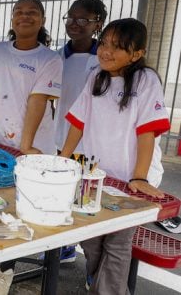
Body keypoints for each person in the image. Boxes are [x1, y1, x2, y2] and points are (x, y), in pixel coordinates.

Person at [60, 18, 169, 294]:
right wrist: (61, 159)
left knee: (118, 244)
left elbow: (147, 132)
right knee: (92, 238)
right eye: (105, 43)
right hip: (94, 174)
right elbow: (78, 123)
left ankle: (108, 290)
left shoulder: (146, 80)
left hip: (131, 179)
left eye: (118, 47)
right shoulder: (96, 77)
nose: (106, 51)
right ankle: (104, 286)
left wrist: (139, 177)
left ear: (136, 54)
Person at [0, 0, 63, 295]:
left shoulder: (49, 59)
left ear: (41, 20)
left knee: (26, 209)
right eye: (18, 12)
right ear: (12, 19)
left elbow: (37, 100)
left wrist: (25, 145)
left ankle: (6, 272)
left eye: (32, 13)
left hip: (33, 147)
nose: (24, 17)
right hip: (0, 142)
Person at [54, 0, 107, 264]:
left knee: (85, 201)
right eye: (71, 18)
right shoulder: (56, 57)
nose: (75, 24)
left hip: (87, 145)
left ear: (98, 24)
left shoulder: (102, 61)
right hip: (59, 138)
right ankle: (63, 248)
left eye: (83, 19)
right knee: (61, 195)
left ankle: (93, 265)